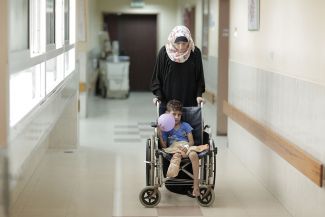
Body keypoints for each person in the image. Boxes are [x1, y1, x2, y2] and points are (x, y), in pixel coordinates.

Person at [158, 99, 208, 197]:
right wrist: (160, 134)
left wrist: (186, 147)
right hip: (174, 149)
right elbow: (164, 146)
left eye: (179, 115)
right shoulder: (166, 128)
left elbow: (191, 142)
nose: (177, 117)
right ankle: (171, 176)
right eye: (174, 114)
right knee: (177, 155)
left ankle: (196, 185)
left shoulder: (185, 126)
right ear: (167, 114)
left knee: (193, 154)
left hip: (186, 146)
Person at [151, 25, 205, 112]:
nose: (181, 47)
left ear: (189, 41)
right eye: (178, 43)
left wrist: (199, 95)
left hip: (189, 100)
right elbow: (157, 77)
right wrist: (158, 96)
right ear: (172, 41)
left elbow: (199, 77)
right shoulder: (164, 52)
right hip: (168, 101)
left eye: (184, 43)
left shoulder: (195, 52)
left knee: (188, 125)